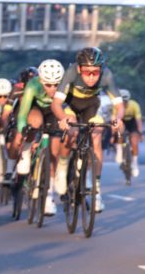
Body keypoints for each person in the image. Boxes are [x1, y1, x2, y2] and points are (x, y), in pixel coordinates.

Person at [52, 47, 124, 213]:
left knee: (97, 134)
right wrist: (62, 119)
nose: (91, 77)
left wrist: (117, 119)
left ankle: (96, 191)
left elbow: (119, 105)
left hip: (91, 106)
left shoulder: (107, 75)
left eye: (95, 72)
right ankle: (62, 167)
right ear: (79, 69)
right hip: (71, 105)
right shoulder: (71, 72)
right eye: (86, 72)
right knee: (71, 130)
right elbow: (56, 104)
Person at [9, 59, 65, 215]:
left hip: (54, 111)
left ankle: (48, 197)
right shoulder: (33, 85)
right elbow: (22, 114)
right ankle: (26, 152)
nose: (53, 89)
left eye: (56, 84)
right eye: (48, 85)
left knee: (54, 152)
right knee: (33, 122)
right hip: (35, 108)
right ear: (41, 80)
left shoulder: (66, 85)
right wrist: (22, 130)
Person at [116, 89, 143, 177]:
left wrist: (140, 133)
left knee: (134, 141)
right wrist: (113, 134)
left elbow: (138, 120)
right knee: (119, 132)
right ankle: (119, 151)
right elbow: (114, 120)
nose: (124, 104)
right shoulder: (116, 106)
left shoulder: (134, 105)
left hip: (132, 123)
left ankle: (135, 163)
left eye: (126, 101)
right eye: (122, 102)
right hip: (122, 122)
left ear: (129, 100)